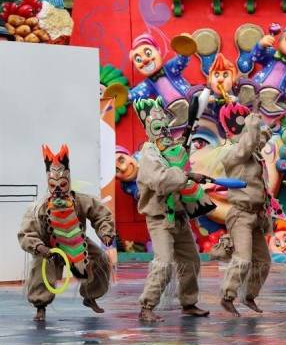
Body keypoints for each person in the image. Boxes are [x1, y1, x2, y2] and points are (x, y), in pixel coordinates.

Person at [134, 98, 211, 322]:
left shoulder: (169, 150)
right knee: (164, 262)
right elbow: (161, 180)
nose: (164, 132)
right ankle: (147, 306)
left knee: (191, 260)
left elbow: (178, 164)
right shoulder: (149, 154)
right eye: (158, 128)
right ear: (148, 129)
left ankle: (188, 302)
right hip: (159, 218)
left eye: (166, 127)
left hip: (178, 216)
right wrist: (187, 175)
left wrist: (183, 160)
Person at [18, 144, 114, 321]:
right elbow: (26, 232)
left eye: (62, 184)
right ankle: (40, 306)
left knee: (100, 259)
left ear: (68, 181)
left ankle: (90, 295)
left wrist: (105, 232)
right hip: (50, 248)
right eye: (53, 185)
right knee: (40, 267)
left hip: (78, 244)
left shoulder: (80, 200)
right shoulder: (40, 207)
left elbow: (101, 214)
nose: (58, 189)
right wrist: (38, 247)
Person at [219, 103, 274, 317]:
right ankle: (227, 296)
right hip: (240, 214)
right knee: (242, 259)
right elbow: (248, 143)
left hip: (256, 216)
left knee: (263, 261)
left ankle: (249, 295)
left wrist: (263, 125)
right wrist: (253, 121)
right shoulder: (232, 153)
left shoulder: (252, 154)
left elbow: (257, 140)